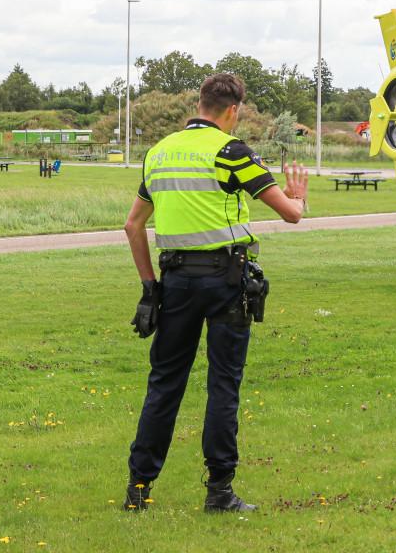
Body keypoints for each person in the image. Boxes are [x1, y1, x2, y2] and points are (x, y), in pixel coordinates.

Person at [122, 73, 308, 513]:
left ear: (199, 103)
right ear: (233, 110)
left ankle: (139, 489)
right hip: (226, 281)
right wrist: (299, 197)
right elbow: (289, 214)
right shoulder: (232, 151)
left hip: (176, 282)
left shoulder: (159, 154)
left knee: (164, 384)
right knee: (223, 383)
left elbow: (133, 225)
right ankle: (219, 492)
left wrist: (150, 288)